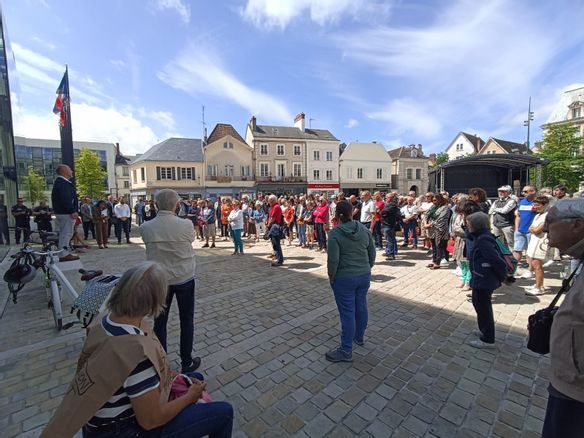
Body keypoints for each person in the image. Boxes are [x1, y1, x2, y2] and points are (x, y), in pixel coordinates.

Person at [41, 262, 233, 438]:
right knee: (224, 412)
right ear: (153, 302)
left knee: (195, 377)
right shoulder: (135, 352)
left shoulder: (107, 321)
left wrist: (171, 376)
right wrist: (190, 397)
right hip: (123, 430)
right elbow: (151, 420)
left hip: (99, 422)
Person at [139, 189, 201, 373]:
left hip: (159, 279)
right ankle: (186, 362)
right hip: (184, 277)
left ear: (156, 205)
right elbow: (191, 239)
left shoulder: (146, 227)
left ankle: (161, 362)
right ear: (176, 205)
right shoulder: (186, 225)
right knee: (186, 320)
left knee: (160, 322)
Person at [542, 199, 584, 438]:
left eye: (551, 222)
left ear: (577, 225)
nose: (545, 228)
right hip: (569, 376)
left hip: (577, 385)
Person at [326, 200, 376, 362]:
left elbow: (333, 260)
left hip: (344, 277)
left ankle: (346, 349)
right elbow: (372, 253)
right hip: (363, 275)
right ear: (351, 212)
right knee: (361, 306)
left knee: (347, 313)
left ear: (336, 215)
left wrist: (332, 277)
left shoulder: (335, 233)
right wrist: (367, 267)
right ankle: (359, 337)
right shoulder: (363, 229)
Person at [465, 212, 508, 349]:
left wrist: (503, 276)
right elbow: (468, 234)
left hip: (484, 278)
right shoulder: (481, 236)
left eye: (469, 224)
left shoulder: (484, 239)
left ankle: (488, 339)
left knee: (484, 308)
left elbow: (496, 260)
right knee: (478, 304)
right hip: (480, 277)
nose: (468, 226)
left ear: (476, 225)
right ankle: (483, 329)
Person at [51, 164, 79, 262]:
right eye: (69, 169)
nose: (71, 171)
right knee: (66, 233)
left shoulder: (62, 182)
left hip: (63, 212)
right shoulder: (62, 183)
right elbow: (66, 199)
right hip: (65, 213)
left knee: (66, 233)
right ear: (64, 171)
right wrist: (72, 210)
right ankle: (63, 254)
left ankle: (64, 252)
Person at [524, 196, 551, 296]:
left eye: (538, 204)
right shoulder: (537, 215)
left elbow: (536, 230)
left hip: (540, 242)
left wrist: (533, 230)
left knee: (537, 264)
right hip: (534, 240)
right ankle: (539, 284)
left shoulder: (547, 216)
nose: (535, 206)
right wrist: (533, 229)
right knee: (535, 263)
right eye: (534, 204)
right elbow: (531, 228)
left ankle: (538, 288)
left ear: (544, 205)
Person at [514, 185, 538, 278]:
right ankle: (513, 269)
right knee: (517, 250)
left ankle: (530, 270)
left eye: (525, 191)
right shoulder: (522, 202)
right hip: (520, 231)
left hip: (531, 231)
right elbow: (518, 216)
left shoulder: (538, 202)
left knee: (530, 252)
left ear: (533, 191)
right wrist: (516, 228)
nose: (523, 193)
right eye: (523, 191)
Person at [425, 194, 451, 269]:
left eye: (435, 200)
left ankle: (437, 262)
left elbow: (441, 219)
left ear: (440, 200)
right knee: (433, 245)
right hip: (432, 230)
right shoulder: (433, 207)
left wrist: (429, 224)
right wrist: (425, 223)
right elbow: (426, 215)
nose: (434, 202)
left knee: (438, 245)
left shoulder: (445, 208)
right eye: (433, 200)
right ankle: (434, 260)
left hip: (440, 229)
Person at [452, 199, 471, 291]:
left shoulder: (470, 217)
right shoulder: (458, 217)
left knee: (468, 263)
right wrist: (459, 231)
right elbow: (454, 227)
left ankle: (468, 282)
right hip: (459, 241)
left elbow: (468, 231)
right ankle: (463, 280)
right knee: (461, 263)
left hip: (467, 242)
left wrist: (460, 231)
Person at [489, 185, 517, 250]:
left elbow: (504, 211)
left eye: (503, 191)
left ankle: (513, 258)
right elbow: (490, 211)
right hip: (496, 225)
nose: (501, 193)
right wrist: (498, 209)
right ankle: (501, 257)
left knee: (510, 242)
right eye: (499, 191)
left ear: (508, 192)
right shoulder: (496, 201)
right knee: (498, 242)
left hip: (507, 225)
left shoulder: (512, 201)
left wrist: (495, 209)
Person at [381, 193, 400, 259]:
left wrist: (382, 212)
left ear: (390, 198)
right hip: (385, 224)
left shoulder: (393, 205)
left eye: (387, 197)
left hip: (389, 225)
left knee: (390, 240)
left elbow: (384, 212)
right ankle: (389, 251)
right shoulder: (388, 205)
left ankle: (391, 254)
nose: (385, 199)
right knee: (388, 239)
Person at [267, 194, 284, 267]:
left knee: (276, 244)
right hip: (273, 226)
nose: (269, 203)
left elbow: (273, 218)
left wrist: (268, 226)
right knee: (274, 244)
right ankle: (277, 257)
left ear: (273, 200)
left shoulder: (276, 207)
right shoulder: (272, 207)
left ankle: (280, 260)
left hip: (275, 226)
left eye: (270, 201)